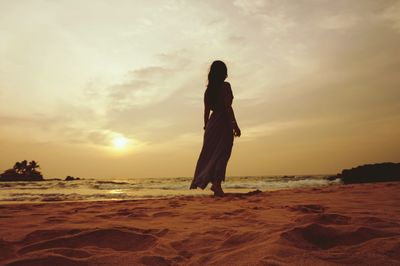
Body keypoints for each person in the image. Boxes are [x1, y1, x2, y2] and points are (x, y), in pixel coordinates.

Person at [190, 60, 241, 197]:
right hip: (223, 122)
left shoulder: (209, 90)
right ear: (223, 73)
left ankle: (214, 183)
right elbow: (227, 107)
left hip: (212, 124)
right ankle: (217, 184)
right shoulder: (225, 87)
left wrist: (206, 126)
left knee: (211, 155)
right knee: (223, 154)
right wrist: (234, 124)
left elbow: (206, 111)